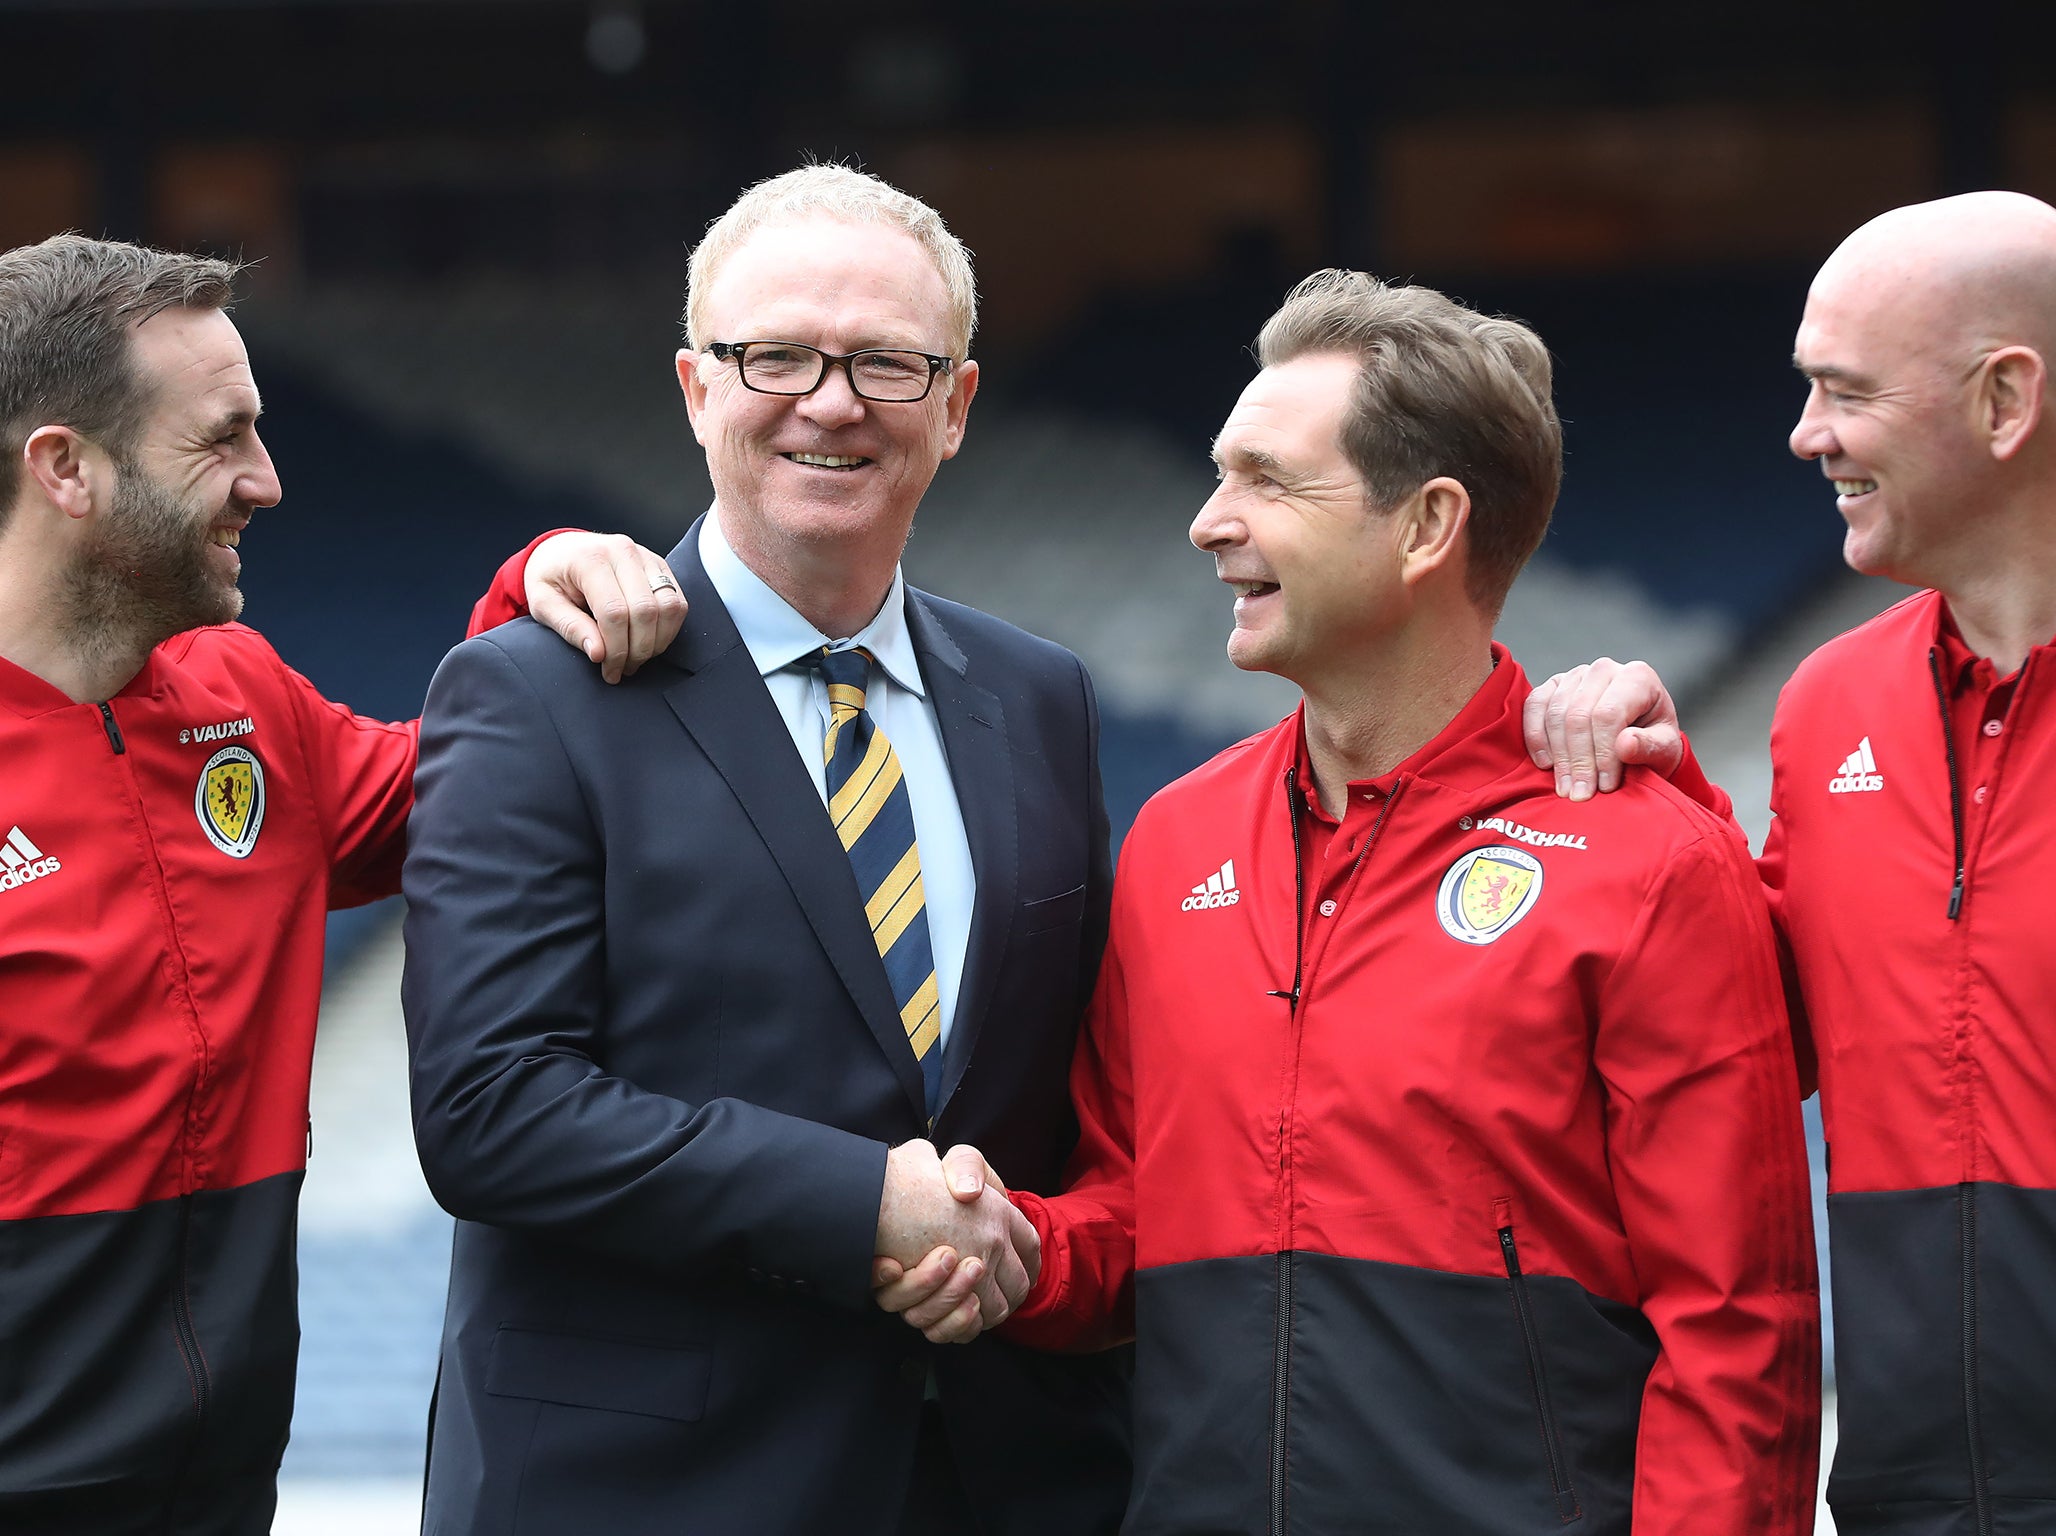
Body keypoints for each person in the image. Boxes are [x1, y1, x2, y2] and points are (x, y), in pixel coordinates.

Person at [880, 271, 1822, 1533]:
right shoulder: (1175, 841)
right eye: (1220, 475)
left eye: (1266, 480)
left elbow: (1737, 1333)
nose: (1211, 521)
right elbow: (1134, 1207)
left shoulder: (1645, 864)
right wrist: (1023, 1252)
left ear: (1427, 524)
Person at [400, 166, 1130, 1536]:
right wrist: (867, 1206)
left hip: (1001, 1480)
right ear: (695, 387)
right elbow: (490, 1109)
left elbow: (1068, 1094)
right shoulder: (530, 692)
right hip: (649, 1493)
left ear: (959, 406)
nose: (832, 400)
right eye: (776, 355)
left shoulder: (1044, 698)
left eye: (887, 364)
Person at [0, 234, 683, 1535]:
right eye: (222, 438)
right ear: (65, 469)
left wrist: (529, 587)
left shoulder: (245, 706)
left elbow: (486, 799)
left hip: (224, 1495)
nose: (266, 479)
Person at [1524, 190, 2056, 1535]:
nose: (1805, 435)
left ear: (2007, 400)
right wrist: (1674, 808)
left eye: (1844, 392)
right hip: (1905, 1494)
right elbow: (1781, 1028)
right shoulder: (1830, 704)